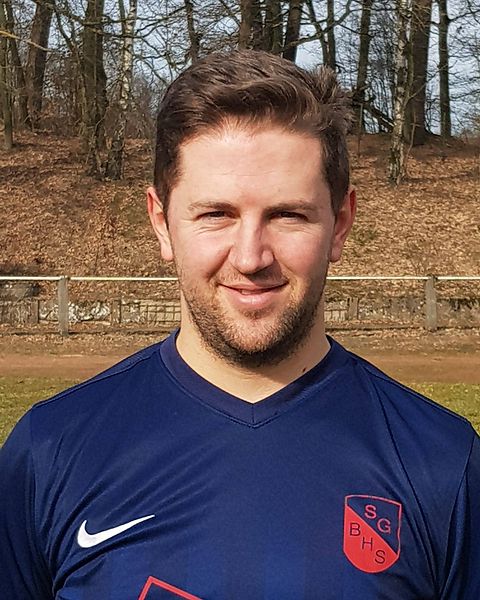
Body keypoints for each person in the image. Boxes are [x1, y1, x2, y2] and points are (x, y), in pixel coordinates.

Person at [0, 50, 479, 600]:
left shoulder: (443, 464)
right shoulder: (50, 452)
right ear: (161, 222)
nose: (251, 257)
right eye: (216, 214)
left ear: (341, 223)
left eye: (287, 215)